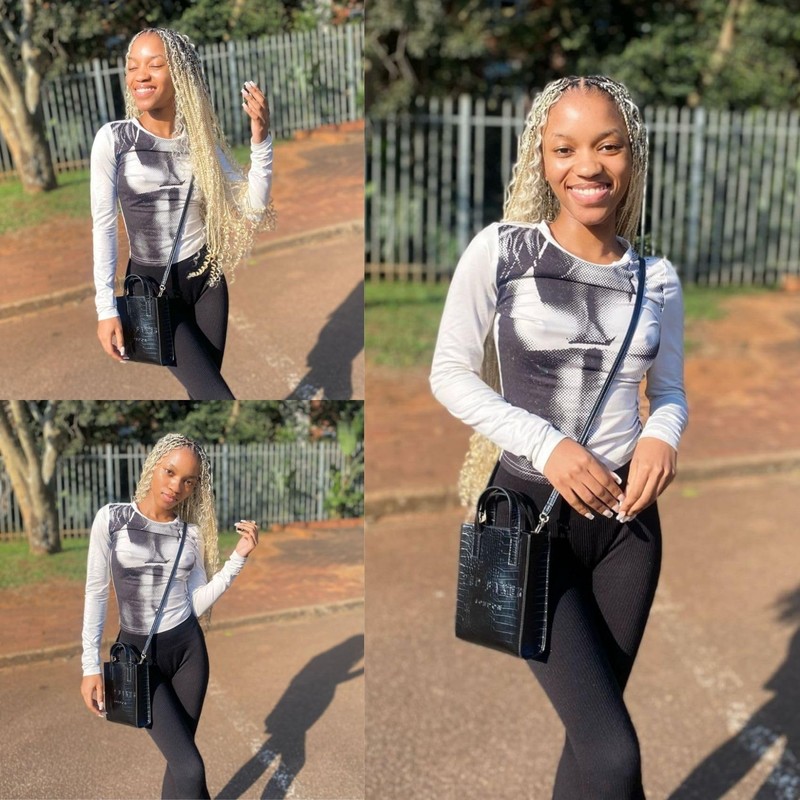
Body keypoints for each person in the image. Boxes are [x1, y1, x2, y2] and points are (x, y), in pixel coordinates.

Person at [430, 76, 688, 799]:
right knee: (613, 754)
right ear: (541, 160)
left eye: (608, 146)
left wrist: (662, 436)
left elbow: (668, 393)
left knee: (593, 739)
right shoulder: (502, 251)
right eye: (565, 148)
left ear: (632, 157)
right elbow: (449, 373)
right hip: (528, 522)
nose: (588, 166)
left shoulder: (657, 278)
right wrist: (547, 446)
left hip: (629, 531)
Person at [91, 28, 276, 399]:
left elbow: (253, 211)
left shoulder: (201, 143)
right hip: (152, 291)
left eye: (155, 65)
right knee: (216, 394)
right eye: (132, 67)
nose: (140, 75)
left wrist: (261, 138)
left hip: (207, 284)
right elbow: (104, 226)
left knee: (206, 393)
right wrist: (105, 307)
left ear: (180, 75)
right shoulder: (115, 140)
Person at [80, 433, 260, 799]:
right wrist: (89, 666)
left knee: (180, 763)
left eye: (188, 481)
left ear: (195, 487)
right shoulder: (112, 519)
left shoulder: (189, 534)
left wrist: (238, 558)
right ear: (154, 466)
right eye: (170, 472)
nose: (176, 486)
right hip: (138, 657)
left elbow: (195, 603)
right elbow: (96, 593)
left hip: (188, 652)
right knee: (190, 767)